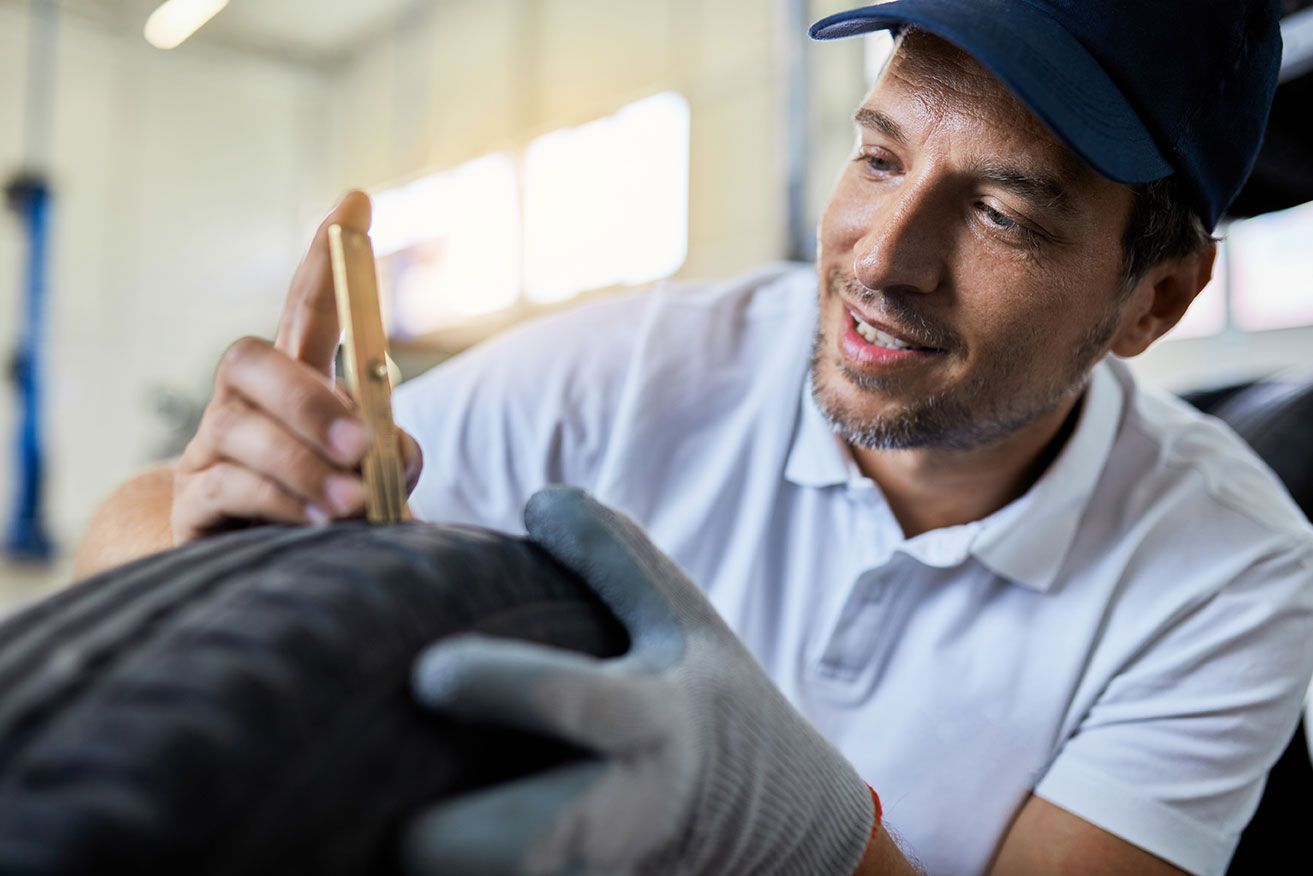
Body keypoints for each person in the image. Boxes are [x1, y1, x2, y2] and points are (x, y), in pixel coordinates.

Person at [76, 0, 1313, 874]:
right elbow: (127, 519)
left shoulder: (1227, 570)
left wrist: (801, 826)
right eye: (878, 158)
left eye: (998, 210)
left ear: (1153, 297)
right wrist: (214, 539)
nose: (882, 260)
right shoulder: (637, 373)